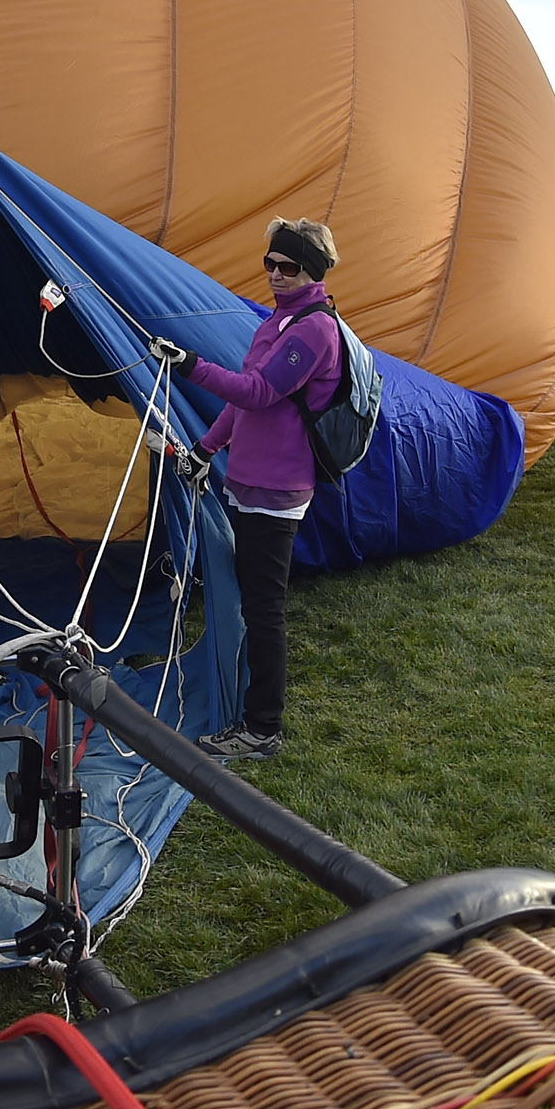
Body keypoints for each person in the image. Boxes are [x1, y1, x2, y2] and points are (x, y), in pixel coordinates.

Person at [164, 220, 346, 761]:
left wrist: (191, 367)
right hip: (249, 481)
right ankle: (252, 711)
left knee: (265, 608)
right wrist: (206, 447)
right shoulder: (281, 319)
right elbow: (245, 405)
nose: (275, 275)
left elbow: (260, 392)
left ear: (310, 271)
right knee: (251, 599)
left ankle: (263, 728)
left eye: (287, 268)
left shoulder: (314, 330)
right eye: (269, 264)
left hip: (276, 488)